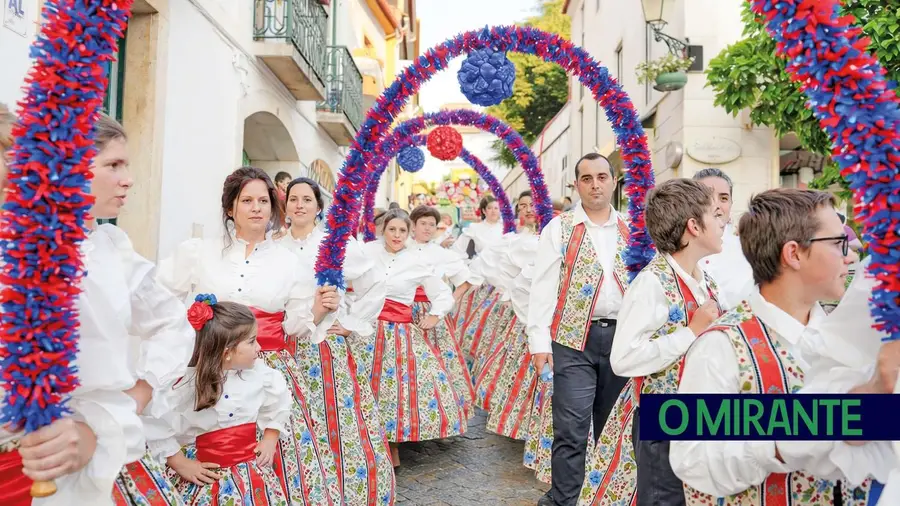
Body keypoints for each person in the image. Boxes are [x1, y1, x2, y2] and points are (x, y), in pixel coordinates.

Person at [1, 111, 195, 505]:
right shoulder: (22, 248)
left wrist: (135, 396)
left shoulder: (106, 250)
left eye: (126, 165)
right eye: (113, 165)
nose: (128, 178)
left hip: (67, 469)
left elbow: (172, 323)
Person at [670, 188, 873, 505]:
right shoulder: (722, 347)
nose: (850, 254)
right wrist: (778, 443)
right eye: (838, 243)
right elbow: (692, 459)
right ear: (793, 254)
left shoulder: (844, 336)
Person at [158, 167, 340, 506]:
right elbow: (158, 299)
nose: (257, 208)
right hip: (208, 367)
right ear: (230, 208)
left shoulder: (289, 262)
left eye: (264, 201)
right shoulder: (198, 252)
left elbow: (296, 327)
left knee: (270, 458)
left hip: (267, 363)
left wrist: (321, 310)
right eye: (247, 200)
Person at [602, 178, 725, 506]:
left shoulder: (704, 279)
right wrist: (690, 332)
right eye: (715, 214)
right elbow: (624, 358)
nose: (724, 220)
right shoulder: (651, 283)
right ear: (694, 227)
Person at [278, 177, 396, 504]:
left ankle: (344, 490)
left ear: (318, 207)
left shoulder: (336, 243)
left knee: (333, 419)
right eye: (293, 199)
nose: (299, 205)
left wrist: (350, 322)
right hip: (283, 349)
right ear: (285, 205)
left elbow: (375, 284)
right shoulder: (275, 245)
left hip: (323, 349)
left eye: (306, 199)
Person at [528, 153, 632, 506]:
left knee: (612, 426)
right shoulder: (558, 228)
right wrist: (539, 343)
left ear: (614, 181)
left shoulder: (633, 229)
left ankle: (605, 495)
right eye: (586, 179)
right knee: (571, 429)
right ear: (576, 185)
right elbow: (542, 288)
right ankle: (565, 499)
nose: (595, 184)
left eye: (602, 177)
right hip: (573, 340)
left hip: (623, 340)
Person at [335, 209, 466, 467]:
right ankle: (361, 442)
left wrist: (435, 316)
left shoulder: (416, 262)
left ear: (408, 233)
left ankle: (391, 446)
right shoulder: (367, 252)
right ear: (383, 229)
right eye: (392, 229)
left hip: (399, 334)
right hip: (364, 329)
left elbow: (441, 293)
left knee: (393, 392)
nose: (396, 235)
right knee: (360, 386)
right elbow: (340, 278)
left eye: (402, 231)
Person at [147, 298, 291, 505]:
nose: (259, 347)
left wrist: (270, 437)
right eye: (251, 341)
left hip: (250, 477)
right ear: (227, 351)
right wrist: (179, 463)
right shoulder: (185, 384)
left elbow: (278, 403)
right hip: (205, 476)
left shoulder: (261, 374)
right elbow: (155, 420)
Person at [406, 205, 483, 418]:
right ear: (413, 225)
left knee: (434, 363)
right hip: (400, 311)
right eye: (423, 223)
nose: (428, 228)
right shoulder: (402, 246)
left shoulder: (441, 254)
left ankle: (435, 411)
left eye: (432, 224)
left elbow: (466, 280)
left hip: (431, 311)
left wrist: (449, 302)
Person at [692, 168, 754, 310]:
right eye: (707, 197)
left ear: (731, 203)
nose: (716, 205)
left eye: (724, 198)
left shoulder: (748, 249)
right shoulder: (678, 248)